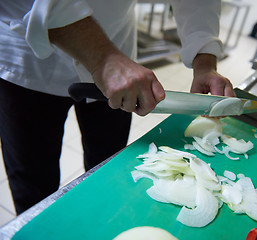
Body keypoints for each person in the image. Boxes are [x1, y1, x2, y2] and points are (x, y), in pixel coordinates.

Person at [0, 0, 235, 215]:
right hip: (26, 60)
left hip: (118, 54)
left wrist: (204, 61)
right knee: (34, 186)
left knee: (107, 168)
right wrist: (102, 58)